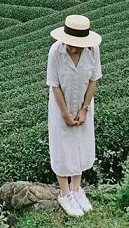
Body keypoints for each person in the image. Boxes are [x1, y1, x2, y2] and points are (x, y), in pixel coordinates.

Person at [46, 14, 102, 217]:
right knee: (62, 147)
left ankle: (77, 190)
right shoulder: (55, 52)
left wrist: (84, 109)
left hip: (84, 105)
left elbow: (93, 80)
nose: (71, 48)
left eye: (75, 45)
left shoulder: (93, 50)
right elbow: (54, 85)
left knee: (80, 144)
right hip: (61, 106)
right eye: (69, 44)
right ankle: (64, 193)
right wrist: (66, 114)